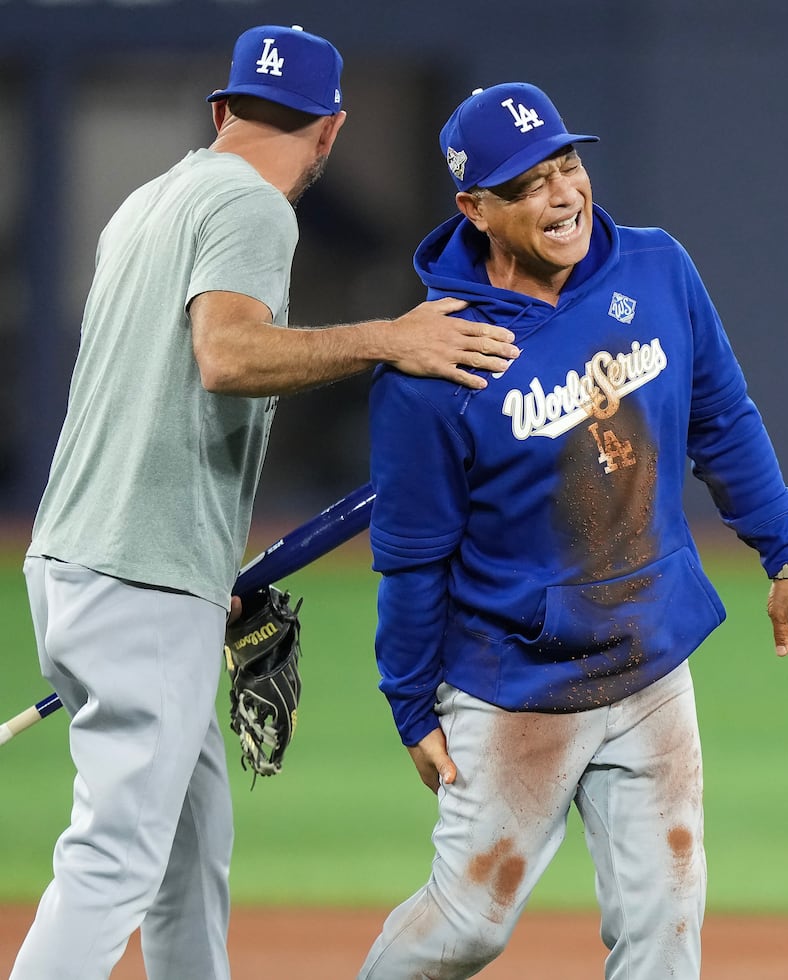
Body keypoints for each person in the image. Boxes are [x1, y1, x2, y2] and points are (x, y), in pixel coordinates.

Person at [11, 27, 518, 980]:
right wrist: (388, 338)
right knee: (116, 856)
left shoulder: (151, 202)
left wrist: (204, 577)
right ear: (330, 132)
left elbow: (137, 398)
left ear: (222, 111)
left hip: (95, 557)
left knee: (189, 845)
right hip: (136, 573)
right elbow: (227, 356)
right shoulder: (253, 207)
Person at [358, 82, 788, 979]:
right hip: (514, 687)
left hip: (650, 662)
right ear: (475, 209)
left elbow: (723, 420)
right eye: (529, 183)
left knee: (665, 931)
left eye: (568, 164)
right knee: (467, 928)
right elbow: (413, 558)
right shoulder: (431, 362)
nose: (564, 194)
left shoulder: (657, 270)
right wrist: (408, 699)